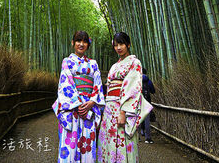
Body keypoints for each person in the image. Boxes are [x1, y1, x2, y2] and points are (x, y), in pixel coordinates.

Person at [98, 32, 152, 162]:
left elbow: (132, 88)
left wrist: (123, 111)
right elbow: (109, 86)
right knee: (108, 140)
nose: (118, 48)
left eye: (121, 44)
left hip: (123, 107)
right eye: (116, 45)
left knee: (123, 139)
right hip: (109, 108)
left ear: (128, 44)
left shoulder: (135, 62)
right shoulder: (114, 66)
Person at [53, 31, 105, 163]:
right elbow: (65, 84)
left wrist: (92, 102)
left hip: (89, 108)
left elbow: (98, 85)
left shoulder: (93, 63)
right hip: (72, 110)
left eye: (84, 41)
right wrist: (79, 104)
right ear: (73, 43)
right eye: (78, 41)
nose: (81, 44)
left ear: (88, 44)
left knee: (87, 146)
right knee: (70, 146)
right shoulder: (67, 62)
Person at [139, 68, 156, 144]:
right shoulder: (148, 81)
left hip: (138, 102)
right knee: (147, 121)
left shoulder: (137, 80)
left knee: (137, 120)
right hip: (147, 102)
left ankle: (138, 137)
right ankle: (148, 138)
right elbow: (153, 91)